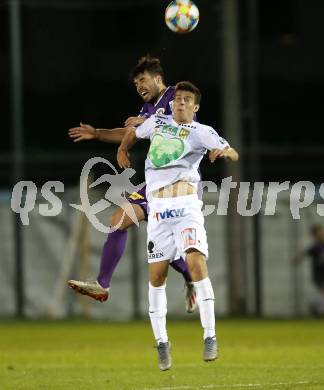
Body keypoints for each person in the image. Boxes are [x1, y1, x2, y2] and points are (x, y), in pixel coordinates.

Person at [117, 81, 239, 370]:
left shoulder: (201, 132)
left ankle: (210, 336)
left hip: (185, 209)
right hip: (158, 212)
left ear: (195, 107)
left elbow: (231, 151)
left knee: (196, 264)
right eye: (178, 99)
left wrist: (224, 153)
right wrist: (124, 146)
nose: (181, 103)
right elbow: (134, 131)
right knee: (157, 278)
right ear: (171, 103)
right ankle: (162, 343)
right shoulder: (158, 122)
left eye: (187, 100)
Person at [67, 56, 196, 313]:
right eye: (136, 82)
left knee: (163, 245)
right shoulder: (150, 108)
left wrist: (149, 123)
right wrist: (98, 133)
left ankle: (194, 278)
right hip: (155, 183)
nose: (139, 86)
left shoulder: (176, 97)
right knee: (119, 221)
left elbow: (187, 126)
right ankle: (102, 285)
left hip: (179, 184)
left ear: (158, 79)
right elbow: (129, 132)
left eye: (143, 80)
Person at [295, 224, 324, 315]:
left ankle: (315, 307)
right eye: (320, 232)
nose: (322, 234)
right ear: (315, 235)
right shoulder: (315, 247)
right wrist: (297, 259)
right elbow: (305, 253)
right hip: (318, 273)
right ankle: (319, 310)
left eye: (323, 232)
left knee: (323, 292)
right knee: (323, 291)